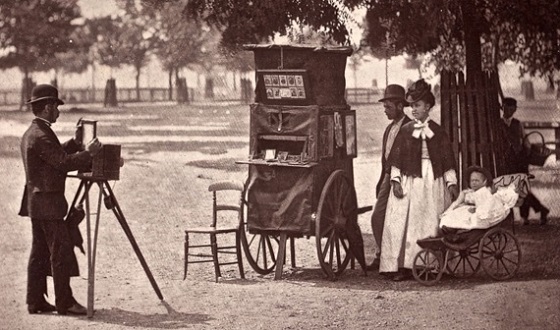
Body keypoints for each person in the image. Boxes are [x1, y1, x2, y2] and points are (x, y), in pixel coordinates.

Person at [19, 84, 102, 315]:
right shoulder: (41, 135)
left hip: (37, 202)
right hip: (48, 204)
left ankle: (35, 301)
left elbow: (54, 155)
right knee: (60, 250)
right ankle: (65, 302)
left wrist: (75, 143)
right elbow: (63, 163)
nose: (58, 111)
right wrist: (89, 154)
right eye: (56, 106)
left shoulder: (34, 132)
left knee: (39, 252)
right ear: (46, 108)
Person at [379, 79, 459, 281]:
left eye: (417, 105)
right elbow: (396, 159)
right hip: (409, 180)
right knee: (401, 221)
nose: (413, 109)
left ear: (428, 107)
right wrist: (395, 181)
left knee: (428, 221)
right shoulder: (406, 131)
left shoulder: (438, 131)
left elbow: (447, 159)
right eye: (412, 106)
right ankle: (403, 266)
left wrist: (451, 183)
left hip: (431, 181)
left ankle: (431, 265)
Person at [367, 85, 411, 270]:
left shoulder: (409, 128)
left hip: (400, 177)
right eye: (384, 107)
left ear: (400, 106)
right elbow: (385, 157)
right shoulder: (389, 129)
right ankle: (381, 255)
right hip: (387, 176)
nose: (385, 111)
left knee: (391, 218)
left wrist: (397, 180)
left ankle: (394, 260)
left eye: (388, 107)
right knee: (379, 217)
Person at [501, 97, 549, 225]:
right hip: (507, 160)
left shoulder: (518, 124)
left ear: (515, 109)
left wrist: (526, 154)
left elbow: (525, 141)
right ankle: (541, 210)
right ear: (502, 107)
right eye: (506, 107)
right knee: (512, 188)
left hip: (519, 160)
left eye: (512, 108)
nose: (508, 110)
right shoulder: (498, 123)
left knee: (522, 188)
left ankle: (525, 216)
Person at [439, 166, 517, 231]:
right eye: (472, 180)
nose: (474, 183)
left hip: (485, 215)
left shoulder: (484, 192)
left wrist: (476, 210)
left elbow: (488, 206)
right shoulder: (469, 192)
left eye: (477, 180)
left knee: (466, 217)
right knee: (455, 213)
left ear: (484, 182)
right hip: (478, 211)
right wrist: (449, 211)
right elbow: (456, 203)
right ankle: (450, 227)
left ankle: (455, 228)